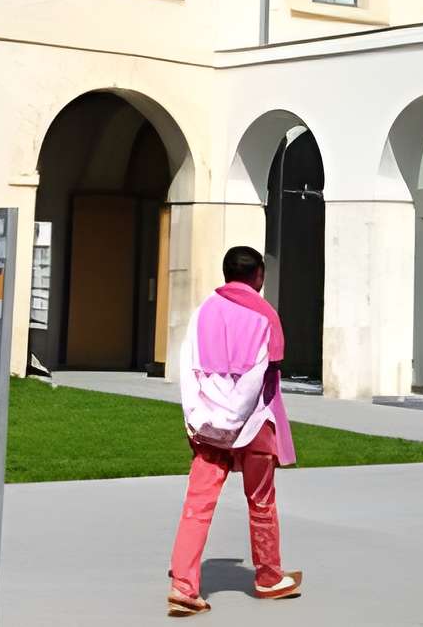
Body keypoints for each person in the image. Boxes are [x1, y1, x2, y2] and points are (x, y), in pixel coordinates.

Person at [167, 245, 302, 616]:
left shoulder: (203, 310)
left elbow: (188, 366)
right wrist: (236, 418)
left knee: (197, 504)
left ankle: (183, 584)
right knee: (261, 500)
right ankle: (269, 575)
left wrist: (197, 417)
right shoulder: (265, 316)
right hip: (254, 422)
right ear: (258, 276)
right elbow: (263, 371)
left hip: (207, 422)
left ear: (226, 272)